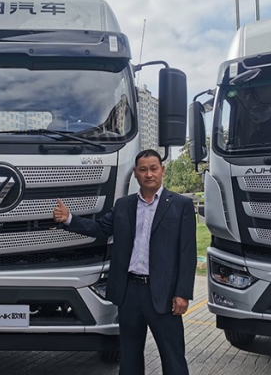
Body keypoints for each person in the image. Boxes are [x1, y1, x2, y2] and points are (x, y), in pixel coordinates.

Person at [53, 149, 196, 375]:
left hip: (165, 294)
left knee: (173, 357)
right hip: (130, 293)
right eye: (143, 170)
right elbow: (100, 228)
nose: (149, 174)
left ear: (162, 171)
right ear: (136, 173)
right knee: (129, 357)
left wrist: (182, 293)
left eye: (153, 168)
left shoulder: (180, 205)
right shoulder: (124, 205)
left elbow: (187, 252)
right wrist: (69, 219)